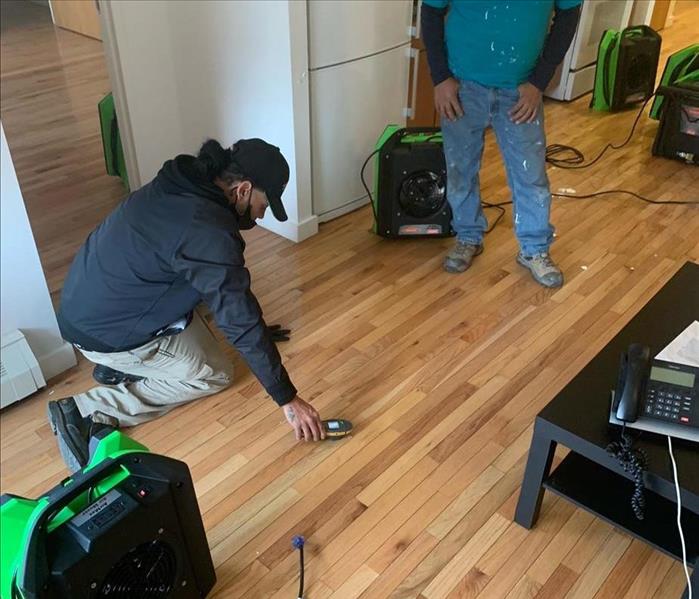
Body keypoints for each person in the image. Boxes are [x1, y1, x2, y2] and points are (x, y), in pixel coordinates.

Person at [49, 138, 325, 472]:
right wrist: (287, 398)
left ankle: (130, 365)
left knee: (217, 317)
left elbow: (224, 292)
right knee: (216, 374)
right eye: (263, 204)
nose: (262, 214)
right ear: (243, 189)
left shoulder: (182, 183)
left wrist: (257, 330)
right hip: (107, 332)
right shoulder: (206, 229)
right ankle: (86, 409)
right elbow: (236, 316)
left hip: (91, 303)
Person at [421, 0, 582, 287]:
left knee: (530, 175)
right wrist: (440, 78)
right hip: (461, 87)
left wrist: (539, 82)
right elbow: (431, 11)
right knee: (460, 169)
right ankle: (468, 236)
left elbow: (569, 15)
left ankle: (534, 250)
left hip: (521, 92)